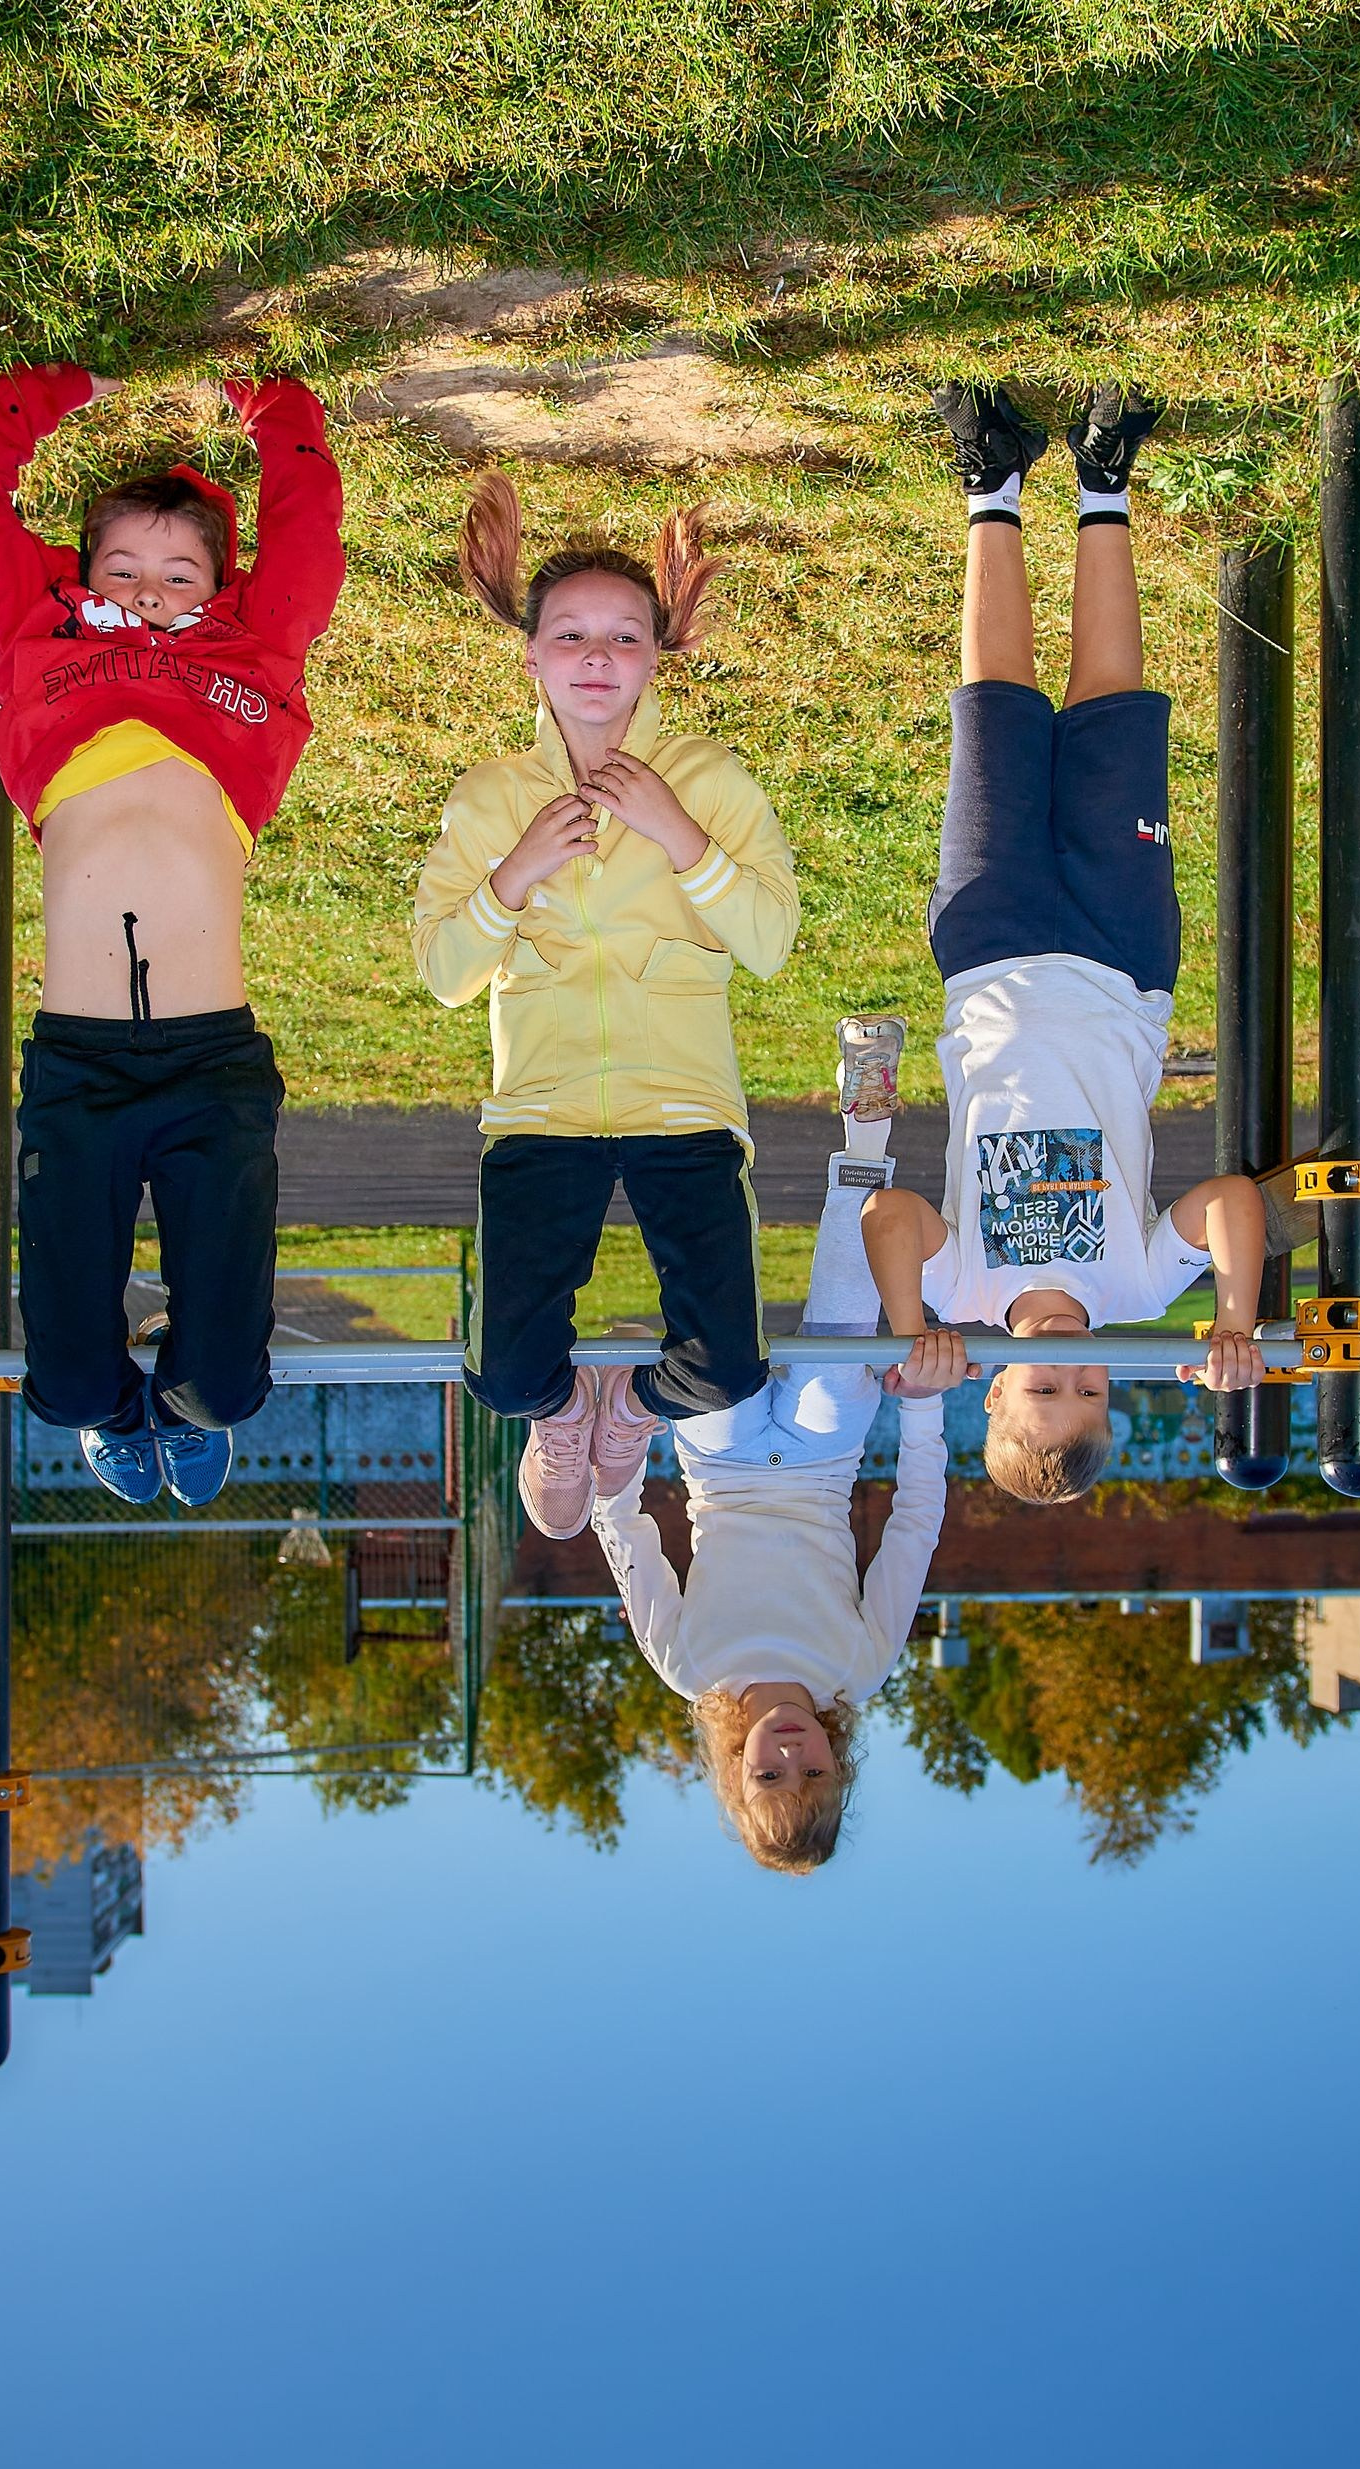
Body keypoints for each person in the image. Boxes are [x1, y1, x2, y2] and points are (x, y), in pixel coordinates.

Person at [0, 364, 345, 1505]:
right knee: (61, 1382)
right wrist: (61, 387)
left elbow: (306, 534)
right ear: (80, 569)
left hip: (205, 1059)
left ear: (222, 580)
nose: (150, 591)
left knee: (219, 1387)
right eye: (121, 568)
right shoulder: (36, 628)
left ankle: (175, 1405)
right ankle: (113, 1406)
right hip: (87, 1062)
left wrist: (277, 413)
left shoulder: (253, 652)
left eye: (179, 573)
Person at [860, 383, 1267, 1507]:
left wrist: (914, 1329)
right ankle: (1101, 480)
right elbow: (1232, 1201)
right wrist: (1232, 1322)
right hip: (1115, 954)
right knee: (1106, 706)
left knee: (991, 706)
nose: (1075, 1373)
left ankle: (989, 477)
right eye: (1093, 1392)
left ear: (990, 1387)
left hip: (987, 954)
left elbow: (883, 1216)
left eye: (1045, 1391)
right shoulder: (1135, 1282)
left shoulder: (961, 1285)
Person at [413, 473, 799, 1537]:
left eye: (623, 638)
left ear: (656, 653)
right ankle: (562, 1416)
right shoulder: (490, 797)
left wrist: (680, 835)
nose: (596, 658)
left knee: (722, 1368)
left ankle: (625, 1410)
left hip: (681, 1111)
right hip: (538, 1116)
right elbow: (445, 972)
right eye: (572, 636)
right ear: (531, 655)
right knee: (503, 1376)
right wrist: (513, 873)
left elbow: (767, 939)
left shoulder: (708, 777)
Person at [589, 1024, 972, 1875]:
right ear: (840, 1764)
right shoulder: (856, 1670)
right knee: (840, 1364)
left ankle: (692, 1144)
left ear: (735, 1768)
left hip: (719, 1470)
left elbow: (627, 1540)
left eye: (770, 1771)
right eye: (813, 1770)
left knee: (714, 1379)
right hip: (818, 1462)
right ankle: (865, 1119)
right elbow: (913, 1529)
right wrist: (921, 1403)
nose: (792, 1750)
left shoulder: (693, 1671)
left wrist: (619, 1440)